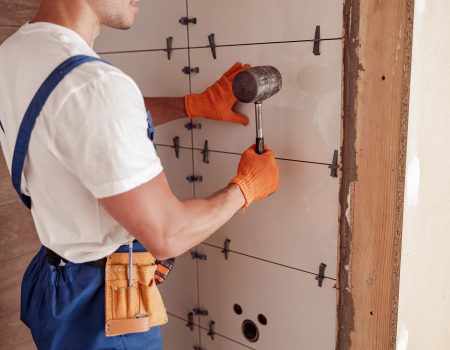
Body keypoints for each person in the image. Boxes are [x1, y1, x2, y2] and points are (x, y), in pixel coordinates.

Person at [0, 0, 280, 349]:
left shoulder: (17, 51)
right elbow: (168, 233)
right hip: (103, 309)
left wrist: (190, 105)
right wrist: (246, 187)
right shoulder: (94, 84)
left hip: (56, 282)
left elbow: (80, 118)